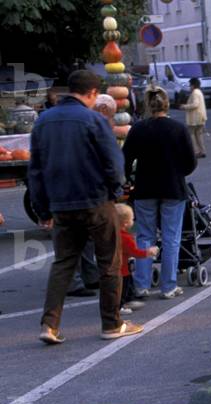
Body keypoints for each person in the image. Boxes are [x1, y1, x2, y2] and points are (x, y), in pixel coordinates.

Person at [29, 69, 141, 343]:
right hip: (95, 201)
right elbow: (113, 162)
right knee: (109, 262)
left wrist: (43, 210)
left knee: (64, 263)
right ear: (92, 93)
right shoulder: (93, 119)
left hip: (61, 204)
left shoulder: (43, 121)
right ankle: (112, 324)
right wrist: (116, 191)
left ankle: (49, 325)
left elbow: (35, 170)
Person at [122, 87, 197, 302]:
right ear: (167, 105)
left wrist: (129, 180)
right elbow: (190, 162)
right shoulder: (178, 128)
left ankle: (142, 285)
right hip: (173, 188)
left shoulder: (138, 129)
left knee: (145, 235)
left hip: (145, 189)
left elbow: (125, 159)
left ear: (148, 105)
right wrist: (178, 173)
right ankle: (168, 286)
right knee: (171, 237)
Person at [115, 203, 158, 315]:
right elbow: (135, 253)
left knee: (124, 286)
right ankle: (120, 306)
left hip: (115, 266)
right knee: (123, 288)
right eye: (132, 219)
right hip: (123, 269)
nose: (133, 221)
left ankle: (127, 301)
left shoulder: (112, 234)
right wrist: (148, 252)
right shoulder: (126, 238)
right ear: (126, 223)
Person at [179, 78, 208, 158]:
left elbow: (195, 104)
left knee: (191, 134)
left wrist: (184, 106)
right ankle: (202, 151)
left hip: (195, 118)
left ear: (193, 85)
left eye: (190, 85)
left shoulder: (195, 93)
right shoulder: (199, 92)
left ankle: (196, 151)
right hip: (200, 117)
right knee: (199, 135)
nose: (189, 86)